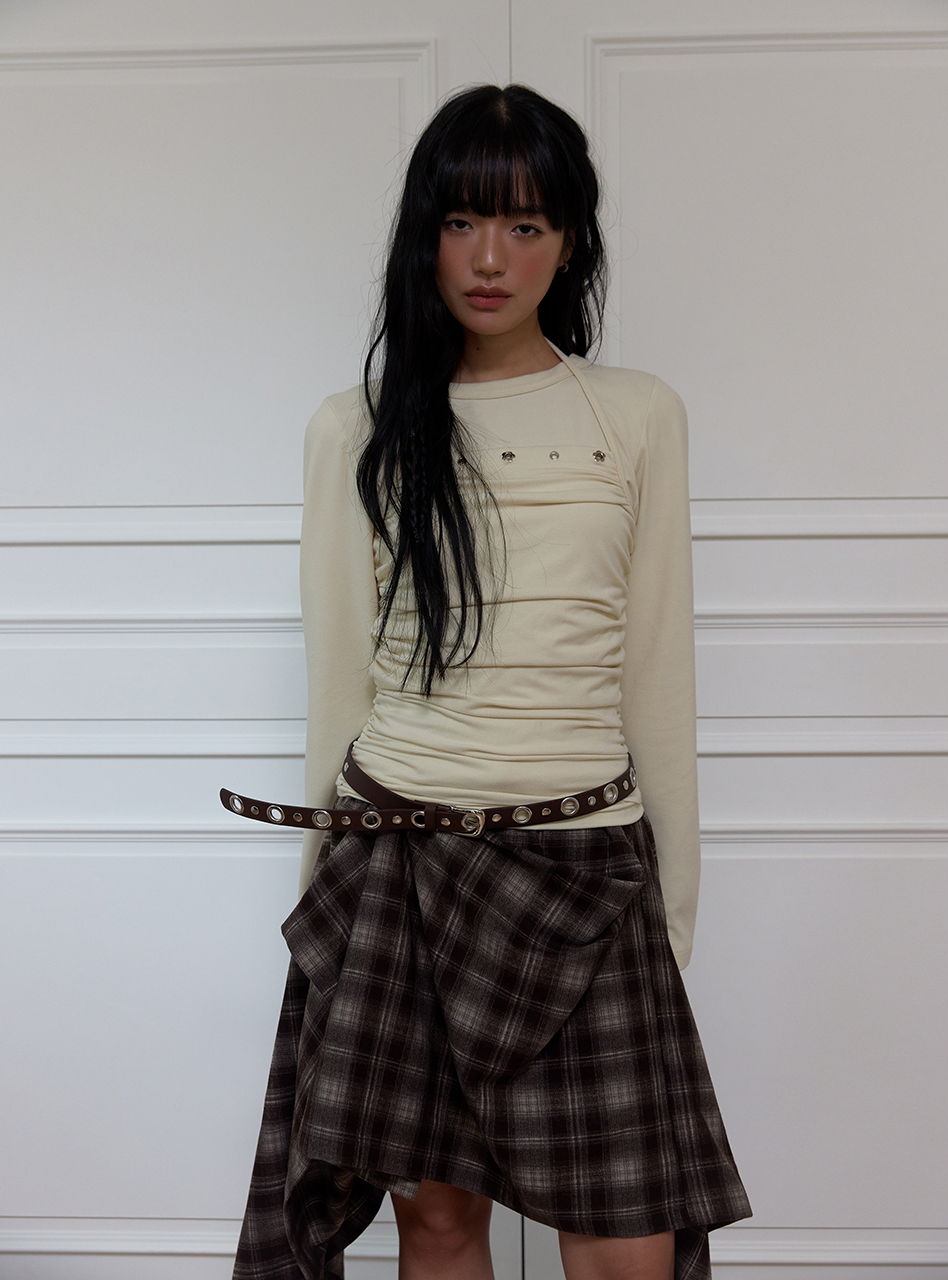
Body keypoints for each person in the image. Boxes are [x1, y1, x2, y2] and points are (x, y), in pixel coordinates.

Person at [226, 83, 751, 1280]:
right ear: (424, 234)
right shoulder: (354, 427)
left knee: (625, 1239)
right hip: (401, 867)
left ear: (571, 242)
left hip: (587, 866)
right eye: (460, 221)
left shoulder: (638, 415)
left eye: (525, 224)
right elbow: (339, 683)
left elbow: (657, 676)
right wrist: (328, 911)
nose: (490, 257)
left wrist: (670, 911)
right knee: (437, 1220)